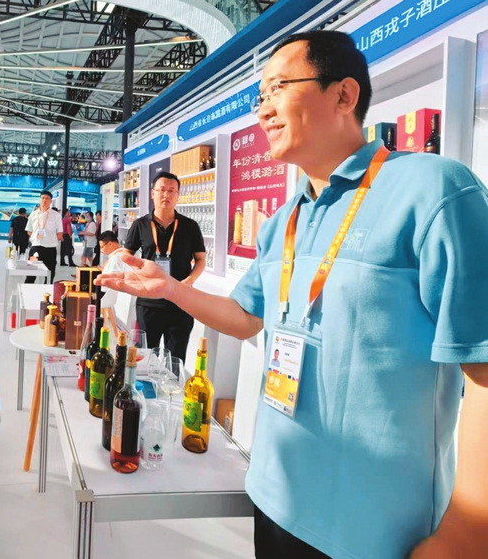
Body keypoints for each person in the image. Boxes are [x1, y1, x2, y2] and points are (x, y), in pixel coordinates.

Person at [97, 30, 488, 558]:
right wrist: (169, 288)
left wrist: (469, 529)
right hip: (274, 497)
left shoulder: (434, 191)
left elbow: (483, 364)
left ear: (343, 95)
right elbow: (245, 315)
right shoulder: (284, 221)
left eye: (278, 88)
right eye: (259, 97)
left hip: (376, 529)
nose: (263, 110)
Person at [123, 172, 205, 361]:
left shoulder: (190, 226)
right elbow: (127, 255)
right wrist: (140, 274)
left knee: (176, 358)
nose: (166, 195)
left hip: (180, 301)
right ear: (153, 194)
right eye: (161, 190)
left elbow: (200, 260)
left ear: (178, 195)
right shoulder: (140, 225)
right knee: (146, 356)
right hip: (149, 302)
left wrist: (189, 281)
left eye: (171, 191)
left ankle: (171, 382)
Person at [25, 190, 62, 283]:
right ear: (40, 199)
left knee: (49, 274)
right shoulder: (33, 214)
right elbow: (29, 231)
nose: (44, 200)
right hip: (36, 247)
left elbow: (60, 233)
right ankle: (28, 290)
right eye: (42, 198)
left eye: (47, 198)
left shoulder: (56, 215)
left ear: (51, 201)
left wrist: (49, 239)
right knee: (31, 273)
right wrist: (37, 237)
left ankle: (46, 291)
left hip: (50, 249)